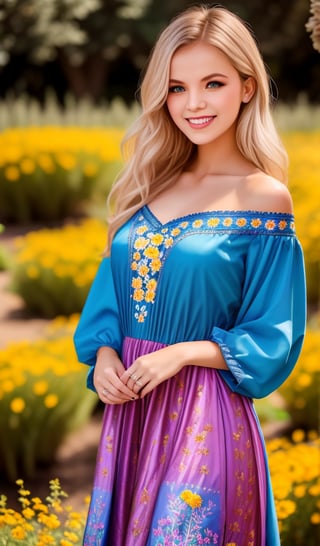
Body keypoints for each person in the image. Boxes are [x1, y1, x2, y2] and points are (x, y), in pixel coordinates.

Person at [74, 5, 306, 545]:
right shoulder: (148, 187)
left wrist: (181, 353)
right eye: (177, 87)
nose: (193, 103)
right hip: (130, 412)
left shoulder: (263, 198)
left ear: (248, 88)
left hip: (205, 414)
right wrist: (106, 356)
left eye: (213, 83)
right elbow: (110, 300)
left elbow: (273, 333)